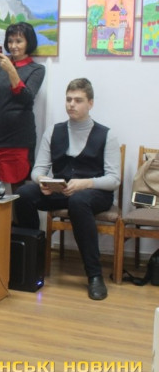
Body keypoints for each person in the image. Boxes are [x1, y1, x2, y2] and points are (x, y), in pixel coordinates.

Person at [15, 78, 120, 301]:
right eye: (69, 99)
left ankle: (94, 275)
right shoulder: (53, 131)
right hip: (61, 191)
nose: (72, 104)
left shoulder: (107, 135)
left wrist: (85, 183)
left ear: (90, 103)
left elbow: (113, 180)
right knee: (23, 194)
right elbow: (38, 170)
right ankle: (31, 260)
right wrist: (43, 181)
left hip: (95, 194)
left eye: (78, 100)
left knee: (78, 201)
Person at [0, 22, 46, 188]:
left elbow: (26, 97)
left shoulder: (37, 69)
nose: (13, 46)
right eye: (10, 41)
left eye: (19, 41)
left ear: (28, 43)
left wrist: (11, 70)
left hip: (19, 138)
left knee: (20, 192)